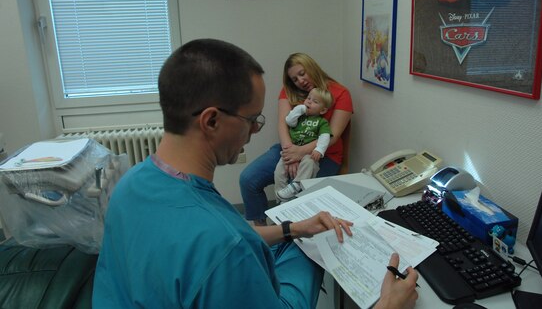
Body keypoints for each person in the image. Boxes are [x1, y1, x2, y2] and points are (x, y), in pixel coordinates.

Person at [92, 39, 418, 308]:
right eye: (252, 120)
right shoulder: (222, 247)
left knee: (298, 241)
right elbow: (223, 243)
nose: (253, 131)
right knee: (309, 256)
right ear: (212, 121)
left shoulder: (131, 186)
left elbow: (219, 235)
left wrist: (292, 228)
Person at [240, 52, 354, 226]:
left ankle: (285, 233)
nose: (300, 81)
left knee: (294, 190)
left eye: (302, 73)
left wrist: (300, 153)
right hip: (290, 148)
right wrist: (290, 154)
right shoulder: (289, 92)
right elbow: (282, 124)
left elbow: (333, 135)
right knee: (248, 179)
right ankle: (263, 234)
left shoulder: (341, 93)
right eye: (294, 79)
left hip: (323, 155)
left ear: (312, 68)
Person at [274, 87, 333, 201]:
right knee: (279, 171)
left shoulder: (322, 122)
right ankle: (280, 196)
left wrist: (319, 150)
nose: (309, 101)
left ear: (323, 110)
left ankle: (297, 184)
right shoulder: (300, 116)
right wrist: (299, 109)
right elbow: (289, 121)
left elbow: (325, 136)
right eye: (308, 98)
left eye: (315, 102)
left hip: (309, 153)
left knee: (310, 164)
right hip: (292, 149)